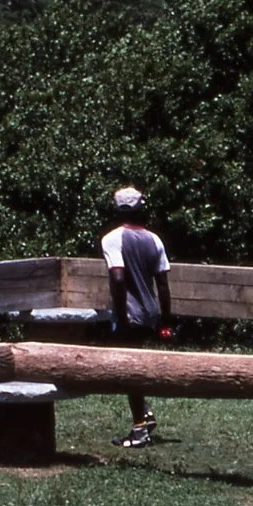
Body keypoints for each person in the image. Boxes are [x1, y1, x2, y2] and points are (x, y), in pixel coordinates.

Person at [101, 185, 173, 447]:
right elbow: (163, 284)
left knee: (127, 372)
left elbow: (118, 278)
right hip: (150, 313)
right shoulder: (154, 240)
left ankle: (139, 429)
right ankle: (145, 414)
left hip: (129, 315)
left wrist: (121, 317)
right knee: (134, 369)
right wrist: (166, 320)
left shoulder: (112, 239)